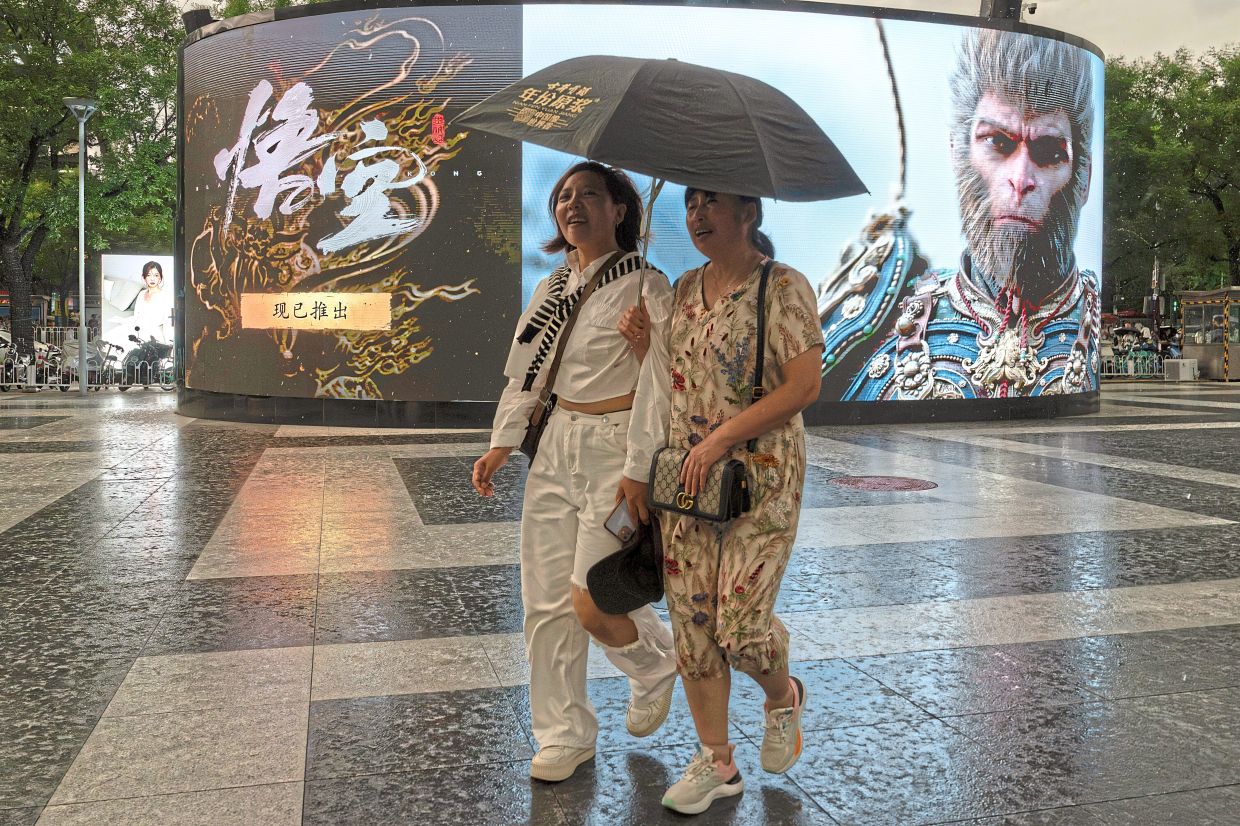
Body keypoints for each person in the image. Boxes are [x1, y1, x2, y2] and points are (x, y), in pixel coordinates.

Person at [471, 162, 678, 783]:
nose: (572, 204)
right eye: (564, 195)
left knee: (593, 592)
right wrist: (502, 444)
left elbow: (667, 388)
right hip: (556, 445)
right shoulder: (551, 286)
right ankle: (563, 734)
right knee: (544, 601)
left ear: (620, 209)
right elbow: (527, 375)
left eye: (590, 194)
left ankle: (652, 663)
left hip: (617, 451)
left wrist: (639, 467)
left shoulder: (649, 285)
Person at [620, 189, 824, 815]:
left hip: (759, 477)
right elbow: (674, 381)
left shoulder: (783, 287)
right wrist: (642, 347)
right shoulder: (682, 291)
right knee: (694, 630)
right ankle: (717, 762)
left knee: (740, 626)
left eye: (713, 203)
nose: (698, 215)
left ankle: (782, 691)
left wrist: (720, 439)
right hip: (689, 479)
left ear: (749, 213)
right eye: (691, 203)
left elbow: (804, 386)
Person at [840, 28, 1100, 400]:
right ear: (956, 154)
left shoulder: (1094, 308)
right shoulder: (881, 317)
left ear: (1084, 177)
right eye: (998, 142)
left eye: (1048, 151)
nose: (1021, 179)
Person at [130, 261, 173, 344]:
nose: (152, 279)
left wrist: (169, 345)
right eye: (148, 275)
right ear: (144, 277)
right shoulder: (141, 293)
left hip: (154, 334)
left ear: (160, 278)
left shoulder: (166, 296)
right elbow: (136, 316)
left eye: (156, 275)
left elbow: (169, 324)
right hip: (138, 330)